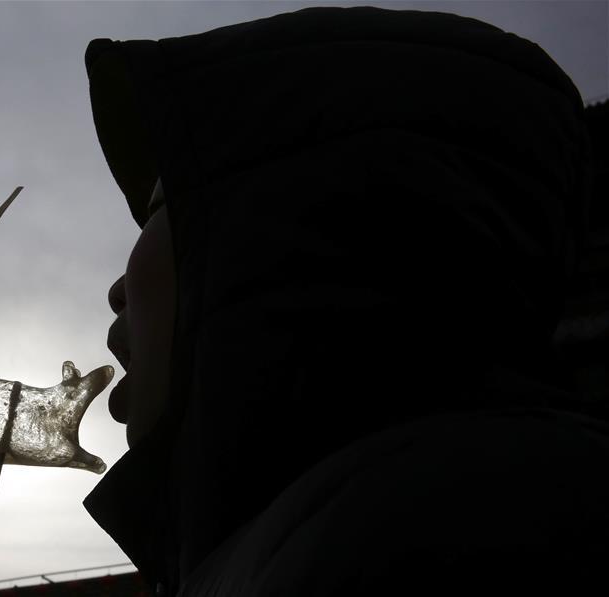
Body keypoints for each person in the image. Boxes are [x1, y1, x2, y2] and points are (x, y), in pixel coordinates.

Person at [82, 6, 609, 596]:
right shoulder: (317, 532)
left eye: (158, 211)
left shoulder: (440, 534)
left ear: (283, 234)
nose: (117, 289)